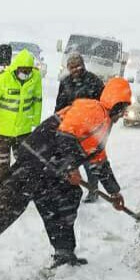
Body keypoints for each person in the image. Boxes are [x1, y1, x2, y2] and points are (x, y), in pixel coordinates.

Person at [0, 78, 133, 280]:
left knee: (65, 201)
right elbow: (64, 135)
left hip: (50, 172)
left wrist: (114, 191)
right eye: (123, 108)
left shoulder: (103, 124)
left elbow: (99, 161)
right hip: (34, 164)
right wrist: (71, 168)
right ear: (116, 103)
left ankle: (64, 252)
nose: (123, 114)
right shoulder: (92, 109)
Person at [0, 49, 43, 183]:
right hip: (2, 132)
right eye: (23, 70)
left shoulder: (35, 78)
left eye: (28, 71)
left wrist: (35, 122)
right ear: (17, 67)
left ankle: (19, 194)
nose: (26, 74)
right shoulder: (2, 79)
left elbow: (37, 100)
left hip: (23, 131)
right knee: (0, 168)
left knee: (24, 166)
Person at [55, 52, 106, 202]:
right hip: (70, 128)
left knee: (91, 161)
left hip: (90, 129)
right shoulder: (65, 83)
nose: (75, 70)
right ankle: (70, 191)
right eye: (72, 67)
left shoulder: (94, 81)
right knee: (69, 160)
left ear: (83, 65)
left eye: (78, 66)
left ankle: (93, 190)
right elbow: (59, 105)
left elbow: (102, 104)